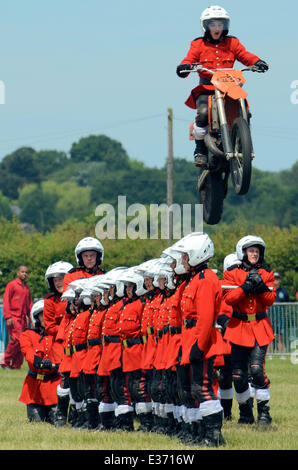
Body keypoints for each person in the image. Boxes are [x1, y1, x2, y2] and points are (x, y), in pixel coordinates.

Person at [176, 5, 269, 166]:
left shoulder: (232, 42)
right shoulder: (198, 44)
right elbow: (189, 59)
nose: (217, 28)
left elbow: (244, 55)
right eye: (213, 24)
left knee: (245, 108)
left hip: (229, 87)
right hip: (207, 89)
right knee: (204, 113)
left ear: (225, 26)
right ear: (206, 26)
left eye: (220, 24)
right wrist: (185, 66)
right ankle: (200, 150)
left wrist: (257, 62)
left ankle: (243, 144)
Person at [170, 232, 225, 447]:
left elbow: (205, 317)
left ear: (196, 255)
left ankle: (214, 436)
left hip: (201, 339)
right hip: (189, 338)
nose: (182, 260)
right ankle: (199, 431)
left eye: (185, 256)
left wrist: (198, 346)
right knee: (191, 389)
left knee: (202, 387)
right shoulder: (194, 279)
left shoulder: (206, 279)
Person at [223, 235, 276, 426]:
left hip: (260, 328)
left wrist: (261, 286)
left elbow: (270, 299)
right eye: (251, 251)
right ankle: (245, 414)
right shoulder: (231, 273)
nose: (254, 254)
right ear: (243, 252)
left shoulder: (266, 273)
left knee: (256, 370)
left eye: (257, 251)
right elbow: (228, 299)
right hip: (238, 328)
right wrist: (246, 287)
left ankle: (264, 412)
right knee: (237, 375)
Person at [18, 300, 61, 423]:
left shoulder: (57, 335)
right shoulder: (28, 335)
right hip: (34, 389)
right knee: (36, 423)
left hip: (54, 387)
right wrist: (37, 360)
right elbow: (27, 351)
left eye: (48, 315)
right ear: (36, 318)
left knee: (57, 422)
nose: (45, 318)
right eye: (42, 315)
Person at [43, 261, 74, 427]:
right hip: (60, 345)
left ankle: (78, 416)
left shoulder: (77, 298)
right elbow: (49, 326)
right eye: (55, 280)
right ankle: (61, 415)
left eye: (62, 279)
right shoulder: (49, 301)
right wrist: (67, 329)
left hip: (79, 342)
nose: (59, 283)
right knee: (64, 379)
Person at [1, 265, 33, 369]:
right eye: (22, 272)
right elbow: (6, 301)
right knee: (16, 339)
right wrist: (8, 317)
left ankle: (16, 365)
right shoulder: (12, 285)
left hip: (23, 319)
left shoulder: (26, 287)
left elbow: (29, 305)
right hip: (13, 317)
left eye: (26, 272)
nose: (24, 274)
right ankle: (4, 361)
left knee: (22, 342)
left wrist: (32, 318)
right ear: (17, 273)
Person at [268, 272, 289, 360]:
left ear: (279, 280)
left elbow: (287, 305)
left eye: (277, 279)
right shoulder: (268, 290)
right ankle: (270, 355)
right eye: (274, 278)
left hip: (280, 318)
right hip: (270, 317)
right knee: (269, 337)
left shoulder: (284, 292)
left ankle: (282, 355)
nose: (275, 280)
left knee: (280, 336)